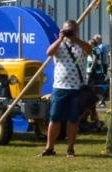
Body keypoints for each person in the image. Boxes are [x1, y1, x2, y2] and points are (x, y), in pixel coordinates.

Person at [39, 20, 92, 157]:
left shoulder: (81, 45)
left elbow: (90, 49)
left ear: (77, 31)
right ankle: (49, 147)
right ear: (62, 30)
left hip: (76, 88)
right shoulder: (60, 45)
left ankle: (70, 148)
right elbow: (49, 52)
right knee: (55, 118)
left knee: (73, 120)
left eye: (72, 30)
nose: (70, 33)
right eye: (67, 30)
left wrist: (76, 39)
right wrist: (60, 38)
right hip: (60, 87)